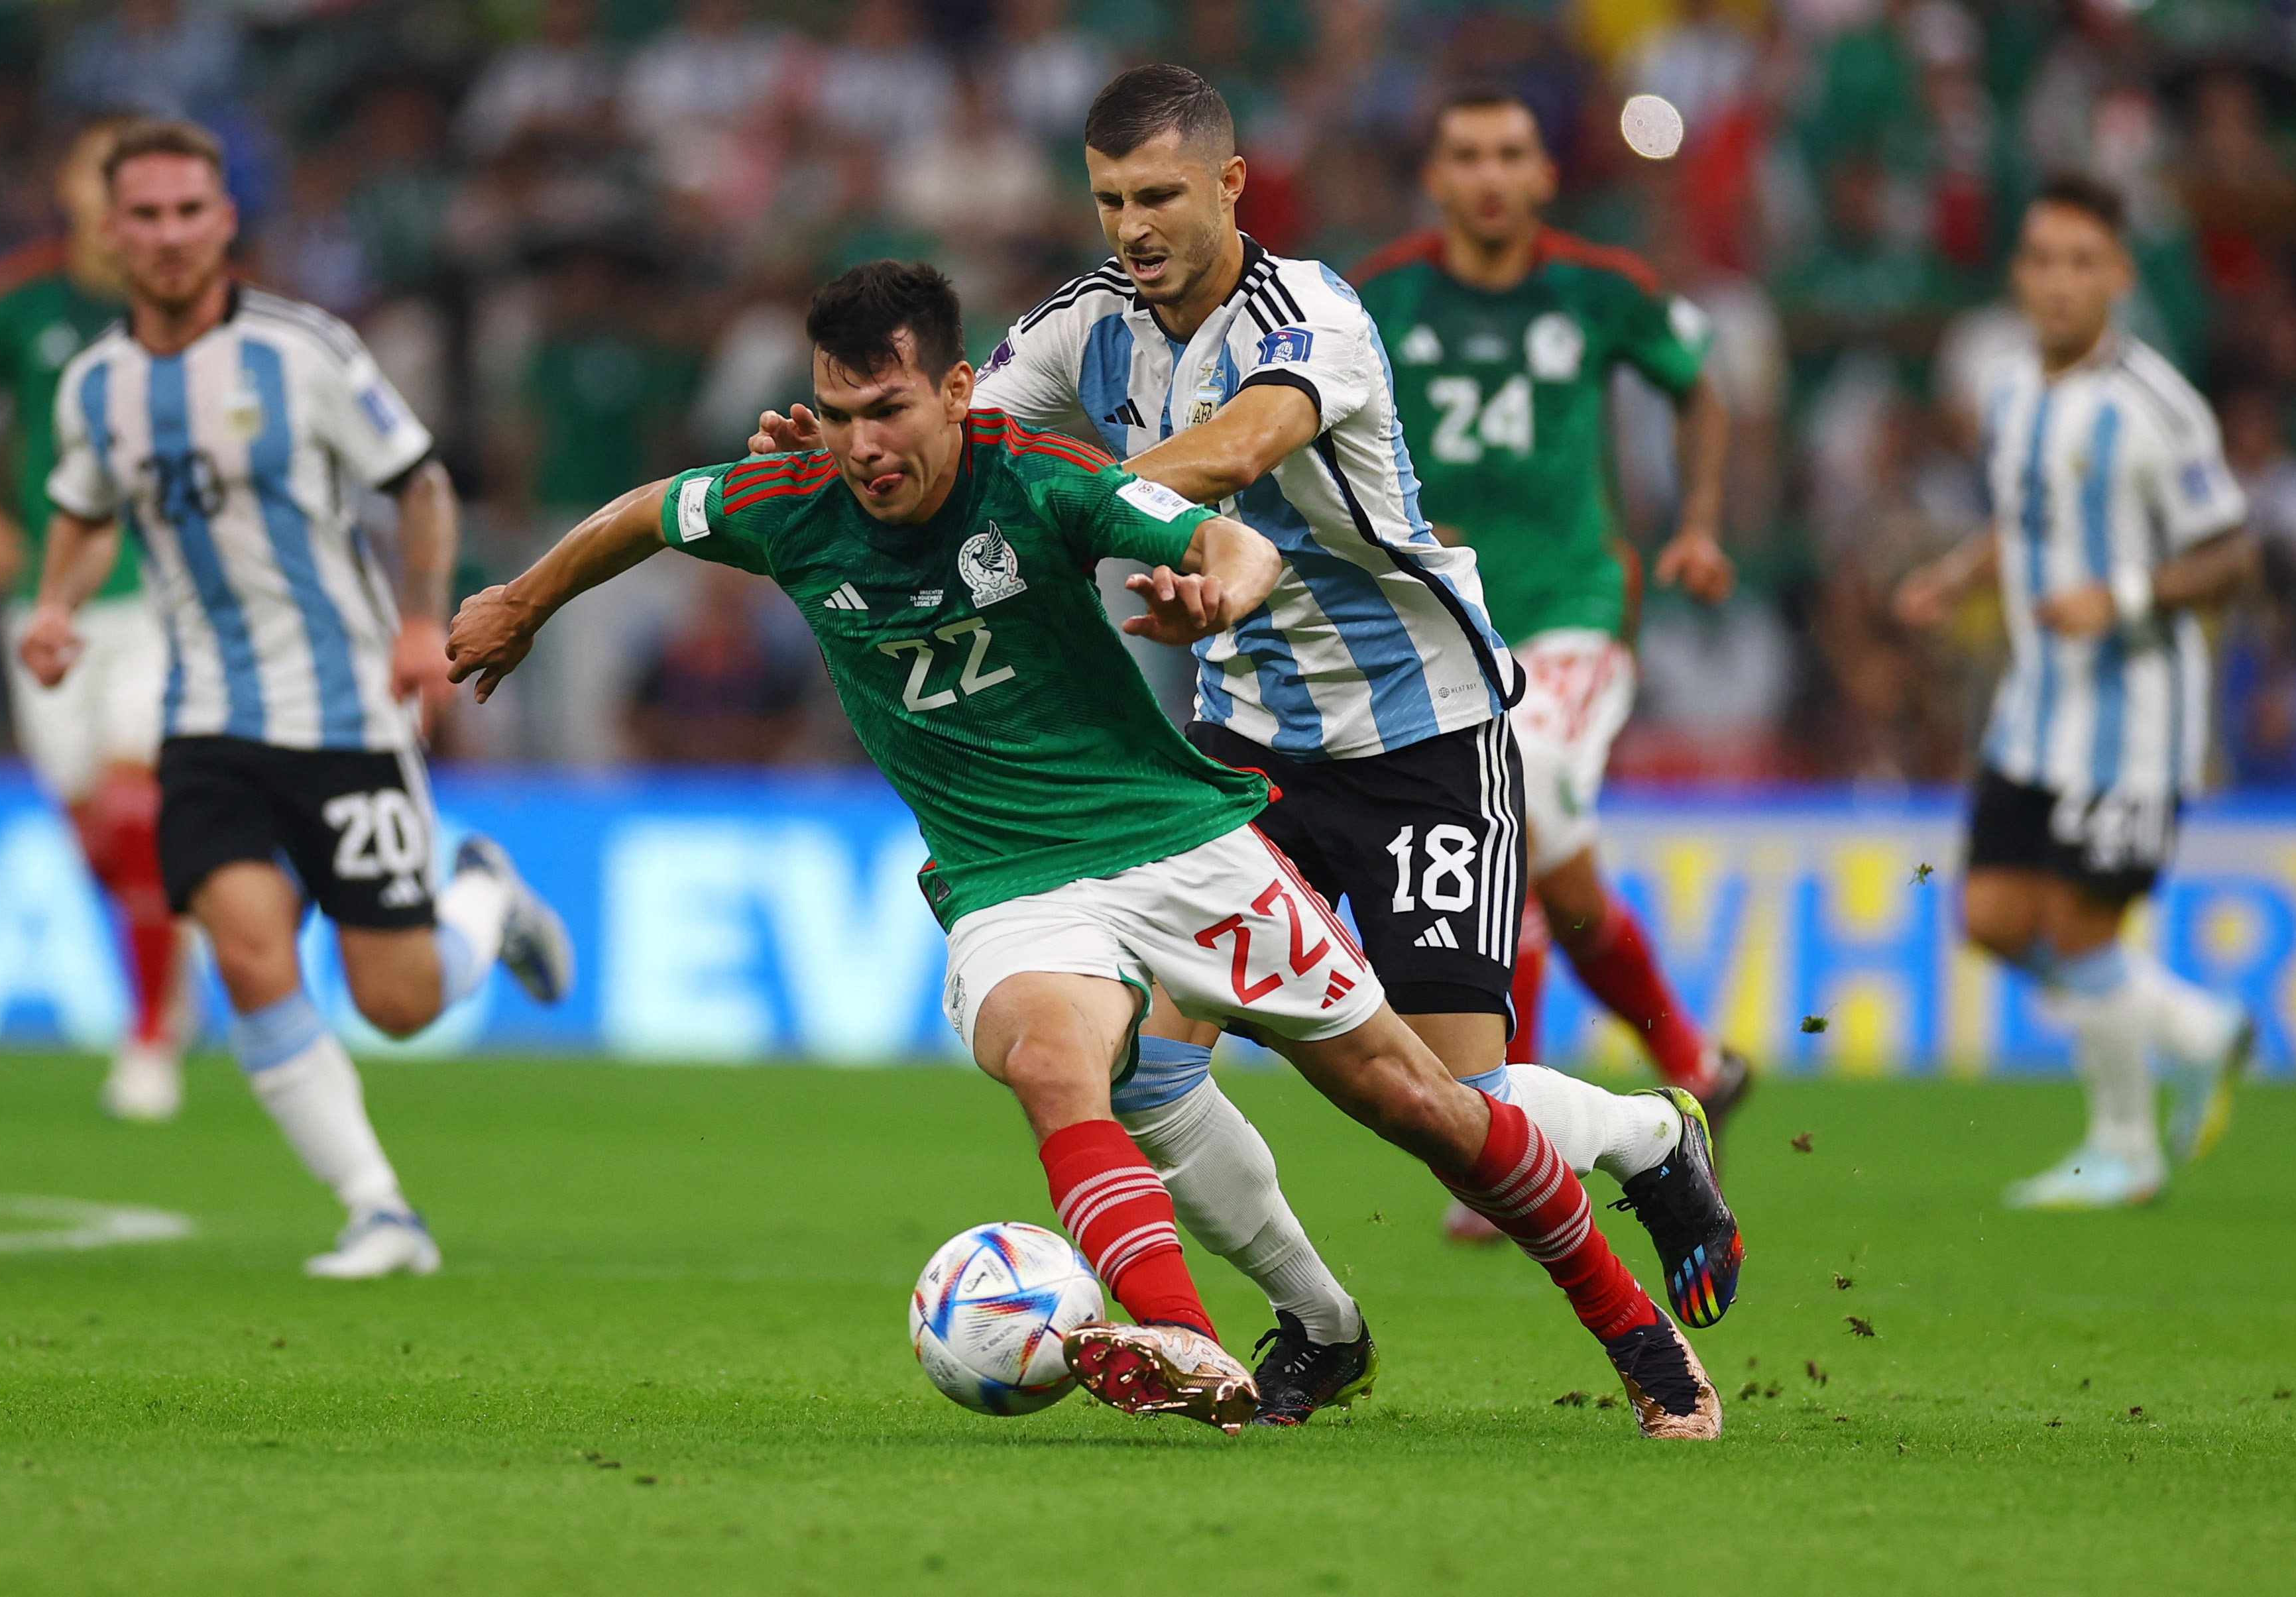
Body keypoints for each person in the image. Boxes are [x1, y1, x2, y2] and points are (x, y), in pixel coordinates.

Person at [454, 260, 1724, 1439]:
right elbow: (645, 514)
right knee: (1063, 1063)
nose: (862, 445)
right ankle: (1195, 1337)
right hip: (1007, 880)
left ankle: (1630, 1323)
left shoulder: (1039, 477)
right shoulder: (790, 502)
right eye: (837, 414)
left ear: (954, 391)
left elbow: (1229, 534)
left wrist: (1215, 587)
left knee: (1429, 1107)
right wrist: (520, 600)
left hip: (1179, 837)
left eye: (887, 409)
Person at [755, 65, 1743, 1423]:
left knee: (1453, 1098)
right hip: (1241, 744)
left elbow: (1235, 449)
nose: (1132, 225)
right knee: (1151, 1064)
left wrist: (1103, 509)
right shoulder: (1087, 324)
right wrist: (861, 459)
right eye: (1109, 199)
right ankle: (1317, 1322)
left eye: (1158, 195)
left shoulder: (1314, 315)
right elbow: (967, 434)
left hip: (1424, 732)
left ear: (1230, 187)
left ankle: (1649, 1132)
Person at [19, 119, 576, 1276]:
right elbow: (82, 503)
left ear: (224, 223)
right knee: (247, 955)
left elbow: (418, 484)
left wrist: (422, 623)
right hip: (207, 719)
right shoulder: (99, 386)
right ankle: (380, 1211)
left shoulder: (303, 352)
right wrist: (57, 603)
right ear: (110, 231)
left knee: (399, 1000)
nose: (170, 235)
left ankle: (482, 902)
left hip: (343, 712)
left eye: (191, 212)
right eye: (148, 215)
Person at [1351, 90, 1751, 1157]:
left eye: (1510, 153)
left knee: (1509, 828)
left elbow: (1699, 389)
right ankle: (1695, 1067)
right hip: (1441, 625)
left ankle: (1499, 1132)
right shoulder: (1376, 298)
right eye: (1466, 154)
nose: (1488, 174)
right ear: (1435, 179)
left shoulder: (1599, 288)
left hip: (1573, 609)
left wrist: (1699, 523)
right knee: (1557, 872)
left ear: (1543, 177)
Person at [1895, 176, 2258, 1208]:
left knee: (2080, 927)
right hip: (2031, 708)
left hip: (2132, 717)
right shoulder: (2010, 387)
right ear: (2019, 274)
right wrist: (1957, 574)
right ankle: (2192, 1028)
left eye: (2080, 263)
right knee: (1992, 918)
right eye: (2042, 261)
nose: (2058, 283)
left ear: (2117, 275)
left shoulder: (2157, 406)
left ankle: (2123, 1146)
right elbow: (2028, 515)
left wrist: (2127, 593)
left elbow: (2229, 553)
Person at [0, 117, 191, 1121]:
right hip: (47, 596)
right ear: (74, 190)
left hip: (161, 590)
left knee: (135, 809)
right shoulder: (14, 300)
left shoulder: (188, 300)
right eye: (102, 170)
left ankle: (151, 1037)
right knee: (92, 830)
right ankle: (173, 959)